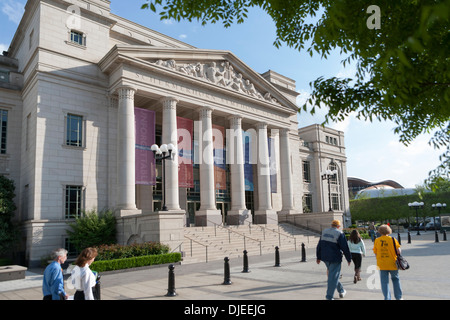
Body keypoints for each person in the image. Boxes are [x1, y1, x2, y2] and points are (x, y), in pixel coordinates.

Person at [316, 220, 352, 300]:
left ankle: (341, 290)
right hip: (335, 258)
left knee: (333, 275)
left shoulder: (324, 232)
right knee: (333, 276)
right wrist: (348, 258)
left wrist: (318, 257)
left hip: (325, 257)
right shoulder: (339, 233)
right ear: (338, 226)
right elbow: (345, 247)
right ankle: (329, 297)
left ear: (331, 225)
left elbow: (319, 245)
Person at [373, 224, 403, 300]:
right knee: (395, 279)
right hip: (392, 263)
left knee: (384, 282)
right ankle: (398, 297)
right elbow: (398, 251)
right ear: (389, 231)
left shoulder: (377, 240)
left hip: (382, 264)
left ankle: (387, 298)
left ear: (380, 231)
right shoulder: (393, 239)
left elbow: (375, 252)